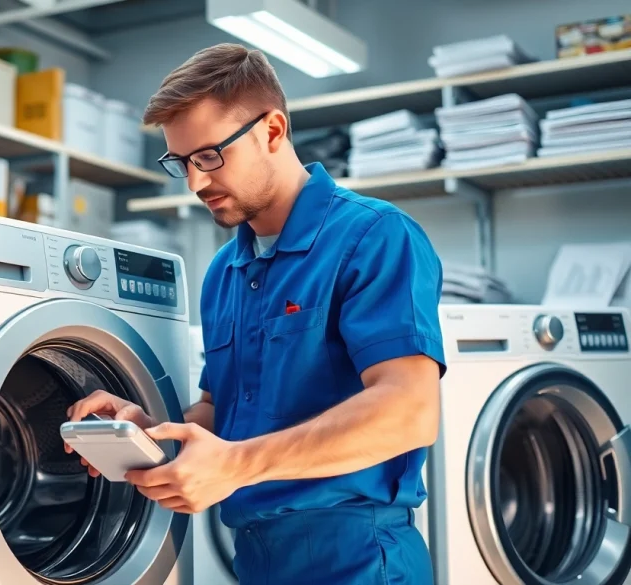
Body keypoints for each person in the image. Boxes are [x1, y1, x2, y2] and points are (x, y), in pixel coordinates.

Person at [65, 43, 446, 585]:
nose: (196, 183)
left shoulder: (374, 236)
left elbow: (409, 410)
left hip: (361, 559)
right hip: (257, 559)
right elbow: (222, 411)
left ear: (272, 130)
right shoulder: (225, 270)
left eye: (210, 156)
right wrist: (151, 433)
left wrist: (237, 466)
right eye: (182, 163)